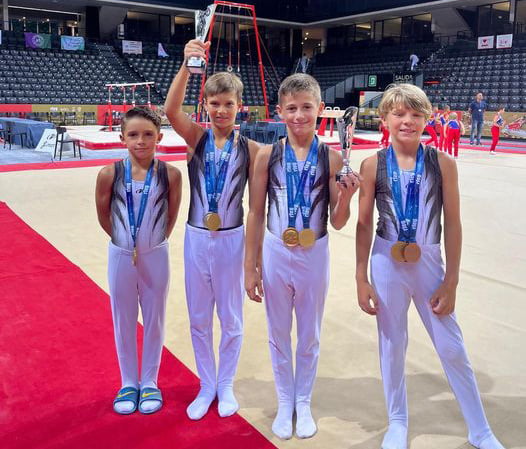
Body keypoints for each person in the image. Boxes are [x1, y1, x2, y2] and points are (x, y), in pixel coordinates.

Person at [355, 83, 505, 449]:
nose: (407, 121)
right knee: (392, 344)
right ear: (385, 119)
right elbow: (361, 225)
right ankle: (397, 421)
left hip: (428, 259)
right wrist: (360, 277)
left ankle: (480, 429)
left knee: (451, 346)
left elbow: (452, 222)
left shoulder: (443, 163)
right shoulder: (373, 164)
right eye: (399, 114)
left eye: (416, 114)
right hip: (387, 259)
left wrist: (451, 279)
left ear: (427, 119)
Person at [244, 73, 361, 440]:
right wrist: (251, 266)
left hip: (315, 250)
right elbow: (255, 213)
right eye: (291, 109)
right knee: (278, 332)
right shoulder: (266, 155)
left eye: (306, 108)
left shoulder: (332, 156)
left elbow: (338, 222)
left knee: (308, 334)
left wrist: (348, 195)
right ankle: (284, 401)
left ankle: (304, 401)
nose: (299, 115)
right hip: (277, 250)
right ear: (279, 112)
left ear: (320, 110)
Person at [164, 39, 259, 420]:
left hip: (232, 239)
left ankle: (226, 384)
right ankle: (206, 384)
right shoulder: (196, 140)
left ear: (240, 107)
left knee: (231, 319)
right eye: (214, 104)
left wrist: (255, 260)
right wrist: (190, 65)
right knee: (200, 317)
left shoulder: (252, 149)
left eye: (228, 104)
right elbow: (170, 110)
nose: (221, 110)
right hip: (197, 238)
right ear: (205, 106)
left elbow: (257, 209)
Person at [95, 106, 182, 415]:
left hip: (156, 254)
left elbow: (170, 216)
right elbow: (104, 216)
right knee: (124, 320)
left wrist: (151, 242)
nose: (141, 141)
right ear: (122, 138)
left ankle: (150, 382)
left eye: (148, 135)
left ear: (160, 137)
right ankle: (128, 382)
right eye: (133, 135)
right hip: (120, 255)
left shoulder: (170, 174)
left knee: (155, 319)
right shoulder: (109, 174)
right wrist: (126, 241)